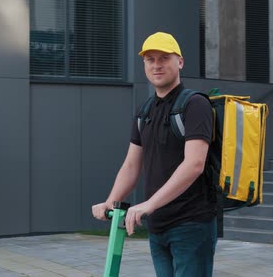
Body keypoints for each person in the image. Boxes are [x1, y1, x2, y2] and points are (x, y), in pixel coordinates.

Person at [92, 32, 217, 277]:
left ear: (179, 62)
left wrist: (149, 204)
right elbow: (131, 165)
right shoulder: (145, 110)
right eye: (150, 59)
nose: (156, 65)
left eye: (164, 58)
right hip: (157, 226)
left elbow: (194, 164)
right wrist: (111, 200)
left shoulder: (195, 105)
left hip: (191, 225)